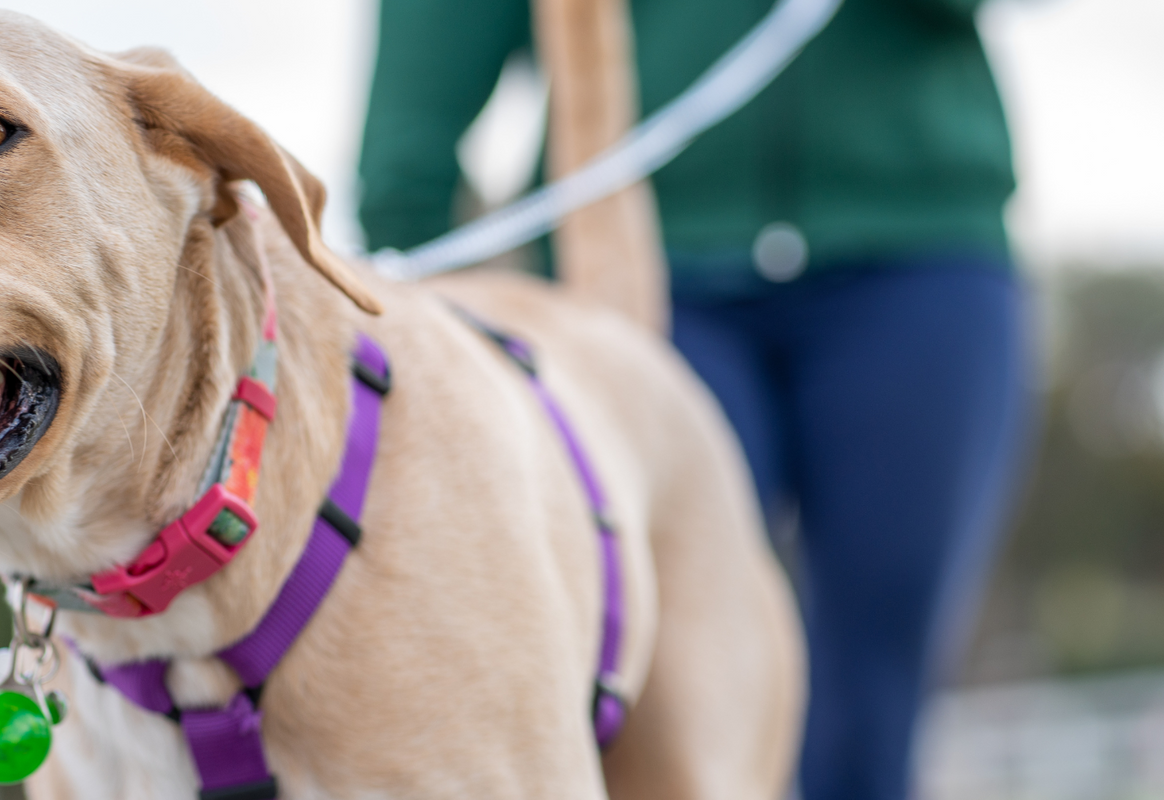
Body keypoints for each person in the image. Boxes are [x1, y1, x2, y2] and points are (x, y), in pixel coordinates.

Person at [356, 1, 1034, 798]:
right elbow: (425, 76)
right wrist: (415, 231)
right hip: (639, 269)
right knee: (655, 699)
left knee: (873, 700)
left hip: (915, 254)